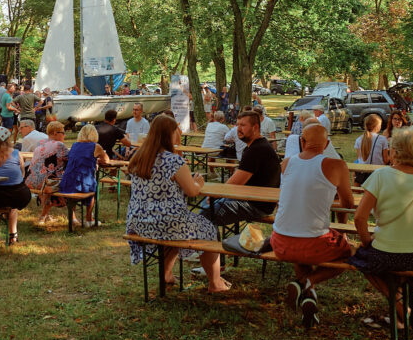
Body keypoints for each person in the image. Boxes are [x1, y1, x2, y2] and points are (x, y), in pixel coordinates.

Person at [350, 128, 413, 327]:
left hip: (391, 252)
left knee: (361, 259)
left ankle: (401, 308)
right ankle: (400, 311)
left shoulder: (381, 176)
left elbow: (359, 218)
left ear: (395, 152)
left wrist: (367, 241)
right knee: (381, 261)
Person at [126, 114, 230, 294]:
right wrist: (198, 182)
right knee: (209, 229)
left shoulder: (138, 157)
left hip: (138, 222)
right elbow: (191, 191)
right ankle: (215, 283)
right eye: (177, 130)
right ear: (170, 133)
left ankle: (166, 274)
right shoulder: (173, 160)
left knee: (174, 232)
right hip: (167, 221)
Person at [272, 124, 355, 327]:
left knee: (300, 249)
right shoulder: (337, 165)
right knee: (350, 253)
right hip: (313, 244)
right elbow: (348, 204)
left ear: (302, 142)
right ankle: (307, 282)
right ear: (327, 144)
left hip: (280, 242)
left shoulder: (286, 162)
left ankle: (309, 298)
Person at [205, 110, 281, 225]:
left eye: (243, 125)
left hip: (257, 205)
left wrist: (216, 194)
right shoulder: (257, 146)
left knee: (207, 212)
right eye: (238, 125)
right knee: (207, 206)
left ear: (255, 127)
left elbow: (235, 183)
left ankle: (209, 240)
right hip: (252, 200)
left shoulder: (257, 150)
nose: (238, 129)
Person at [57, 123, 109, 227]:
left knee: (81, 186)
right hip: (82, 183)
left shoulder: (75, 145)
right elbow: (106, 161)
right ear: (94, 134)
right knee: (92, 189)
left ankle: (73, 218)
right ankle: (89, 219)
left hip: (67, 182)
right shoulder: (96, 146)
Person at [26, 121, 70, 223]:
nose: (64, 135)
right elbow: (70, 160)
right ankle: (74, 218)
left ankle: (44, 216)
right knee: (70, 183)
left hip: (31, 181)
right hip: (46, 183)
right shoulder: (59, 145)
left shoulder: (40, 142)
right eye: (62, 133)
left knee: (48, 178)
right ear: (55, 133)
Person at [353, 114, 387, 182]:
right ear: (377, 126)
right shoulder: (382, 139)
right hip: (377, 173)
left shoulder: (359, 139)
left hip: (361, 173)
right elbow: (385, 159)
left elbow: (359, 158)